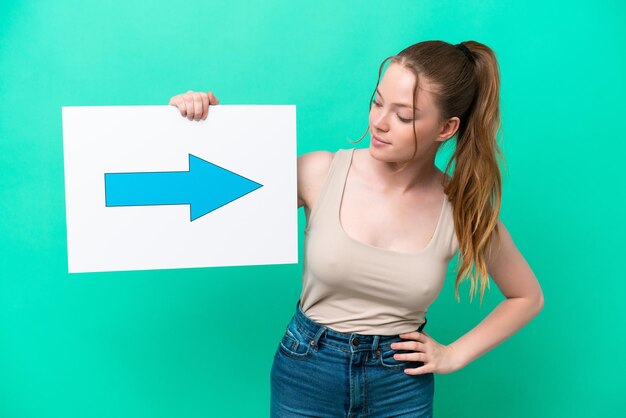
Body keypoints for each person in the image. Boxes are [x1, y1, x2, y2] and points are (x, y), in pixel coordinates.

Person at [168, 40, 544, 418]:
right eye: (377, 102)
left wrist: (454, 354)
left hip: (401, 385)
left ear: (446, 128)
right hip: (306, 371)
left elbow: (526, 296)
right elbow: (201, 206)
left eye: (404, 115)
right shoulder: (319, 172)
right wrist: (195, 125)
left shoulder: (459, 209)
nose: (379, 123)